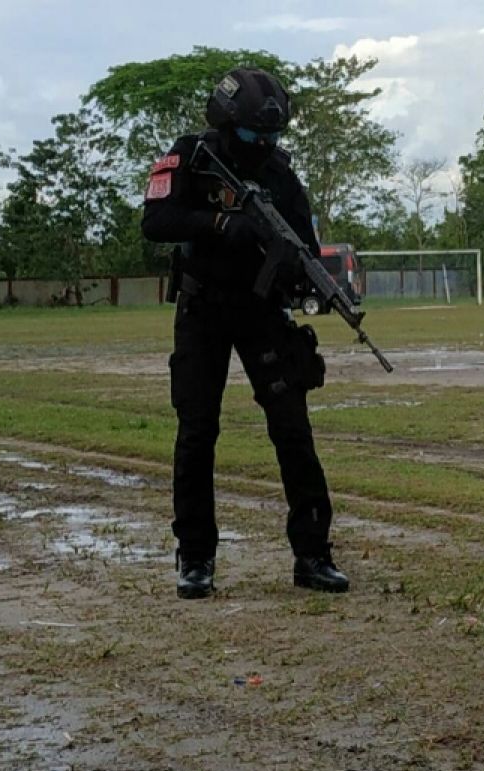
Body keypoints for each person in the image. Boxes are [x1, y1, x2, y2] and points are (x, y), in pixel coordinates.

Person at [142, 67, 348, 599]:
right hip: (202, 309)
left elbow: (303, 242)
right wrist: (220, 226)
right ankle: (195, 558)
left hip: (260, 311)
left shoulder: (281, 173)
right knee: (196, 433)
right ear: (227, 122)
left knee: (292, 429)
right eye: (255, 135)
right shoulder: (189, 156)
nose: (263, 146)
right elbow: (156, 221)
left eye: (272, 137)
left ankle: (312, 554)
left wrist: (308, 278)